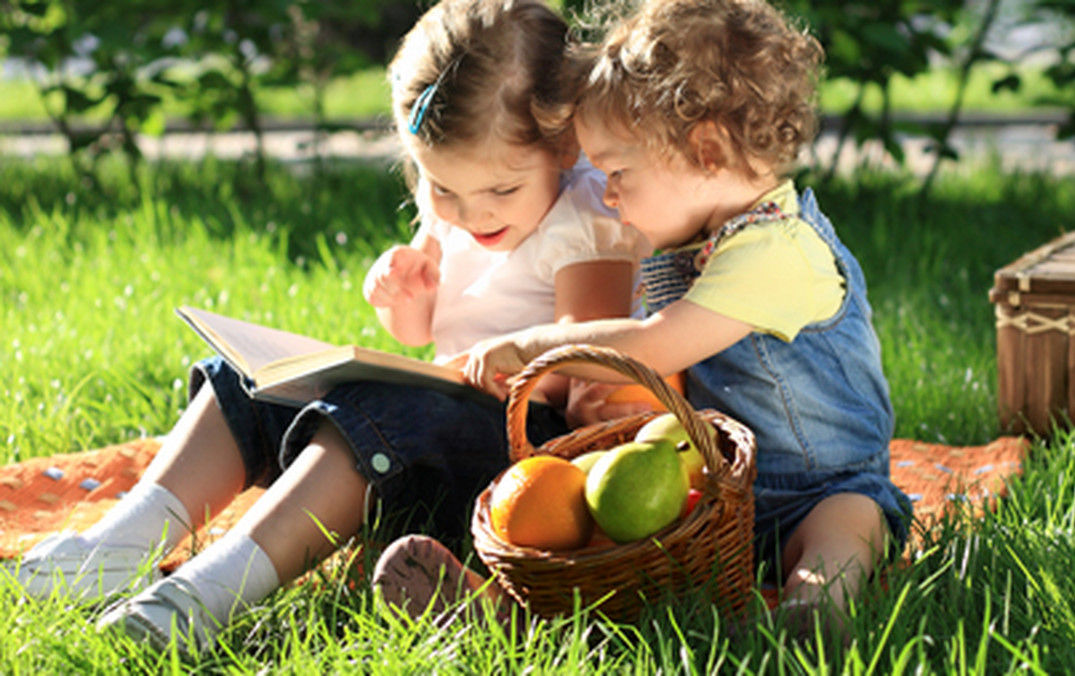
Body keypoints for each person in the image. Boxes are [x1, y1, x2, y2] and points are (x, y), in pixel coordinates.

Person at [13, 0, 648, 652]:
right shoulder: (461, 209)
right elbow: (419, 330)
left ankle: (206, 595)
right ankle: (120, 545)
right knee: (253, 377)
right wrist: (402, 297)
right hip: (439, 415)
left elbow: (579, 358)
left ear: (563, 145)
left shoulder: (581, 221)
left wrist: (488, 369)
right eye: (441, 189)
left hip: (522, 450)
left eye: (499, 192)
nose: (468, 213)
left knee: (375, 415)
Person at [380, 0, 913, 634]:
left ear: (706, 150)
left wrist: (527, 348)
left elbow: (653, 346)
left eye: (617, 171)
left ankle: (814, 608)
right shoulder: (696, 240)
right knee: (609, 516)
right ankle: (513, 608)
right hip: (712, 490)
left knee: (845, 529)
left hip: (819, 489)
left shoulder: (778, 251)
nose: (605, 193)